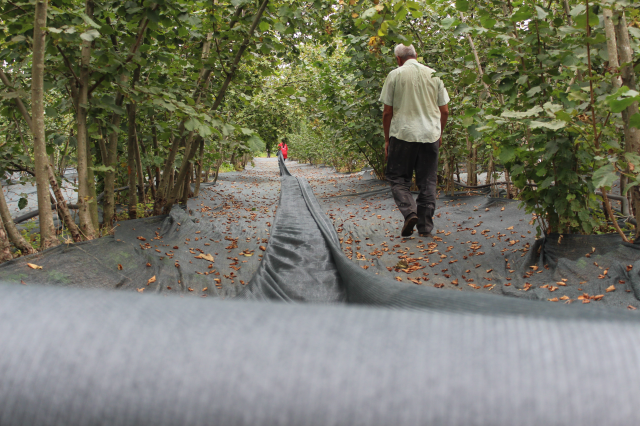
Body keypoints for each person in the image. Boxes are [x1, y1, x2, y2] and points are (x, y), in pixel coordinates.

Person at [379, 44, 449, 237]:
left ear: (398, 59)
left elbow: (387, 112)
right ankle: (425, 228)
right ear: (417, 55)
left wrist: (387, 140)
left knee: (397, 178)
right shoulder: (435, 75)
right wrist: (439, 132)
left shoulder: (395, 75)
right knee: (428, 181)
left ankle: (410, 212)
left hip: (403, 134)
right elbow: (444, 111)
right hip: (430, 135)